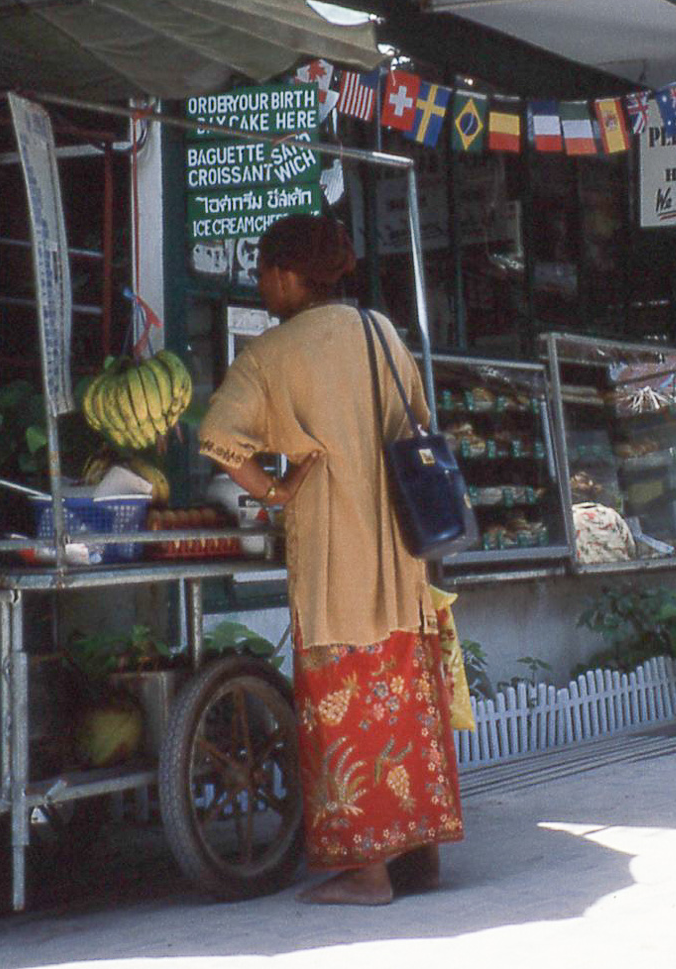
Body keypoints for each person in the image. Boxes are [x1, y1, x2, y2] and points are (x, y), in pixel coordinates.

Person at [198, 214, 463, 906]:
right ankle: (418, 857)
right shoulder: (381, 331)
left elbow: (219, 437)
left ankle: (367, 872)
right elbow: (420, 423)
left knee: (343, 704)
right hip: (403, 555)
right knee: (402, 695)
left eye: (263, 270)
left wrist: (276, 489)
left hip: (332, 555)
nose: (260, 285)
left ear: (289, 274)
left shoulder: (271, 354)